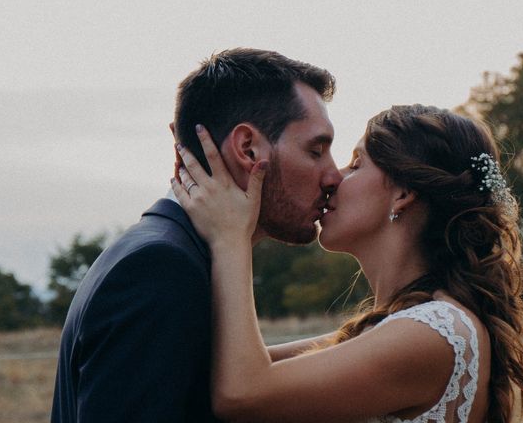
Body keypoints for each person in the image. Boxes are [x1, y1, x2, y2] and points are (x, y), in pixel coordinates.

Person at [172, 104, 523, 423]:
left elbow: (241, 393)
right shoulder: (398, 327)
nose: (334, 178)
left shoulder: (433, 331)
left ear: (402, 194)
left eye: (356, 163)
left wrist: (232, 237)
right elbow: (229, 369)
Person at [51, 48, 343, 422]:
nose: (334, 175)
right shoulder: (159, 267)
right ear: (248, 149)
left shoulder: (184, 252)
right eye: (316, 150)